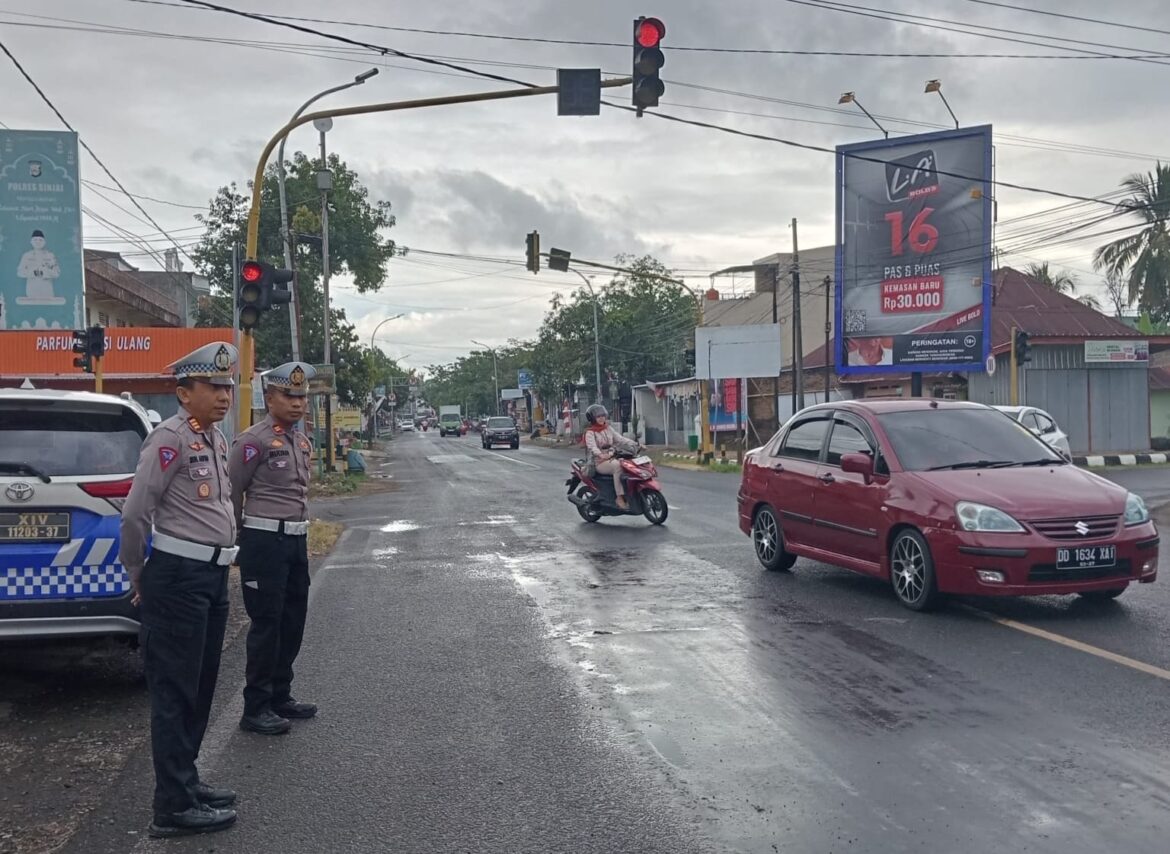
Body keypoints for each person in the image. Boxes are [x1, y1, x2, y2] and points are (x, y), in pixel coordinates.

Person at [118, 341, 240, 839]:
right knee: (173, 692)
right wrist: (136, 573)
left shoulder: (215, 439)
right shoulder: (167, 439)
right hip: (176, 577)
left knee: (201, 685)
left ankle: (187, 783)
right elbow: (134, 514)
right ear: (183, 392)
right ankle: (171, 806)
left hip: (210, 577)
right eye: (212, 386)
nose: (224, 395)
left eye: (228, 386)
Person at [229, 362, 317, 736]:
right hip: (263, 540)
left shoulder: (300, 440)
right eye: (289, 396)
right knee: (267, 624)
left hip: (295, 539)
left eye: (301, 397)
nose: (297, 404)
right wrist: (233, 539)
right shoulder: (253, 441)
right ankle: (256, 705)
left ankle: (281, 694)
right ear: (269, 398)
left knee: (292, 620)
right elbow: (231, 491)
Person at [583, 403, 639, 509]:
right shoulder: (590, 433)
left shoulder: (608, 428)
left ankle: (631, 494)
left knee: (628, 464)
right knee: (618, 466)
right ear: (592, 418)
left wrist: (636, 444)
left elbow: (620, 439)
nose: (601, 418)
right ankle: (619, 498)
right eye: (598, 416)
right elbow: (592, 447)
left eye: (603, 415)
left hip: (612, 457)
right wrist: (601, 454)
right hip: (599, 462)